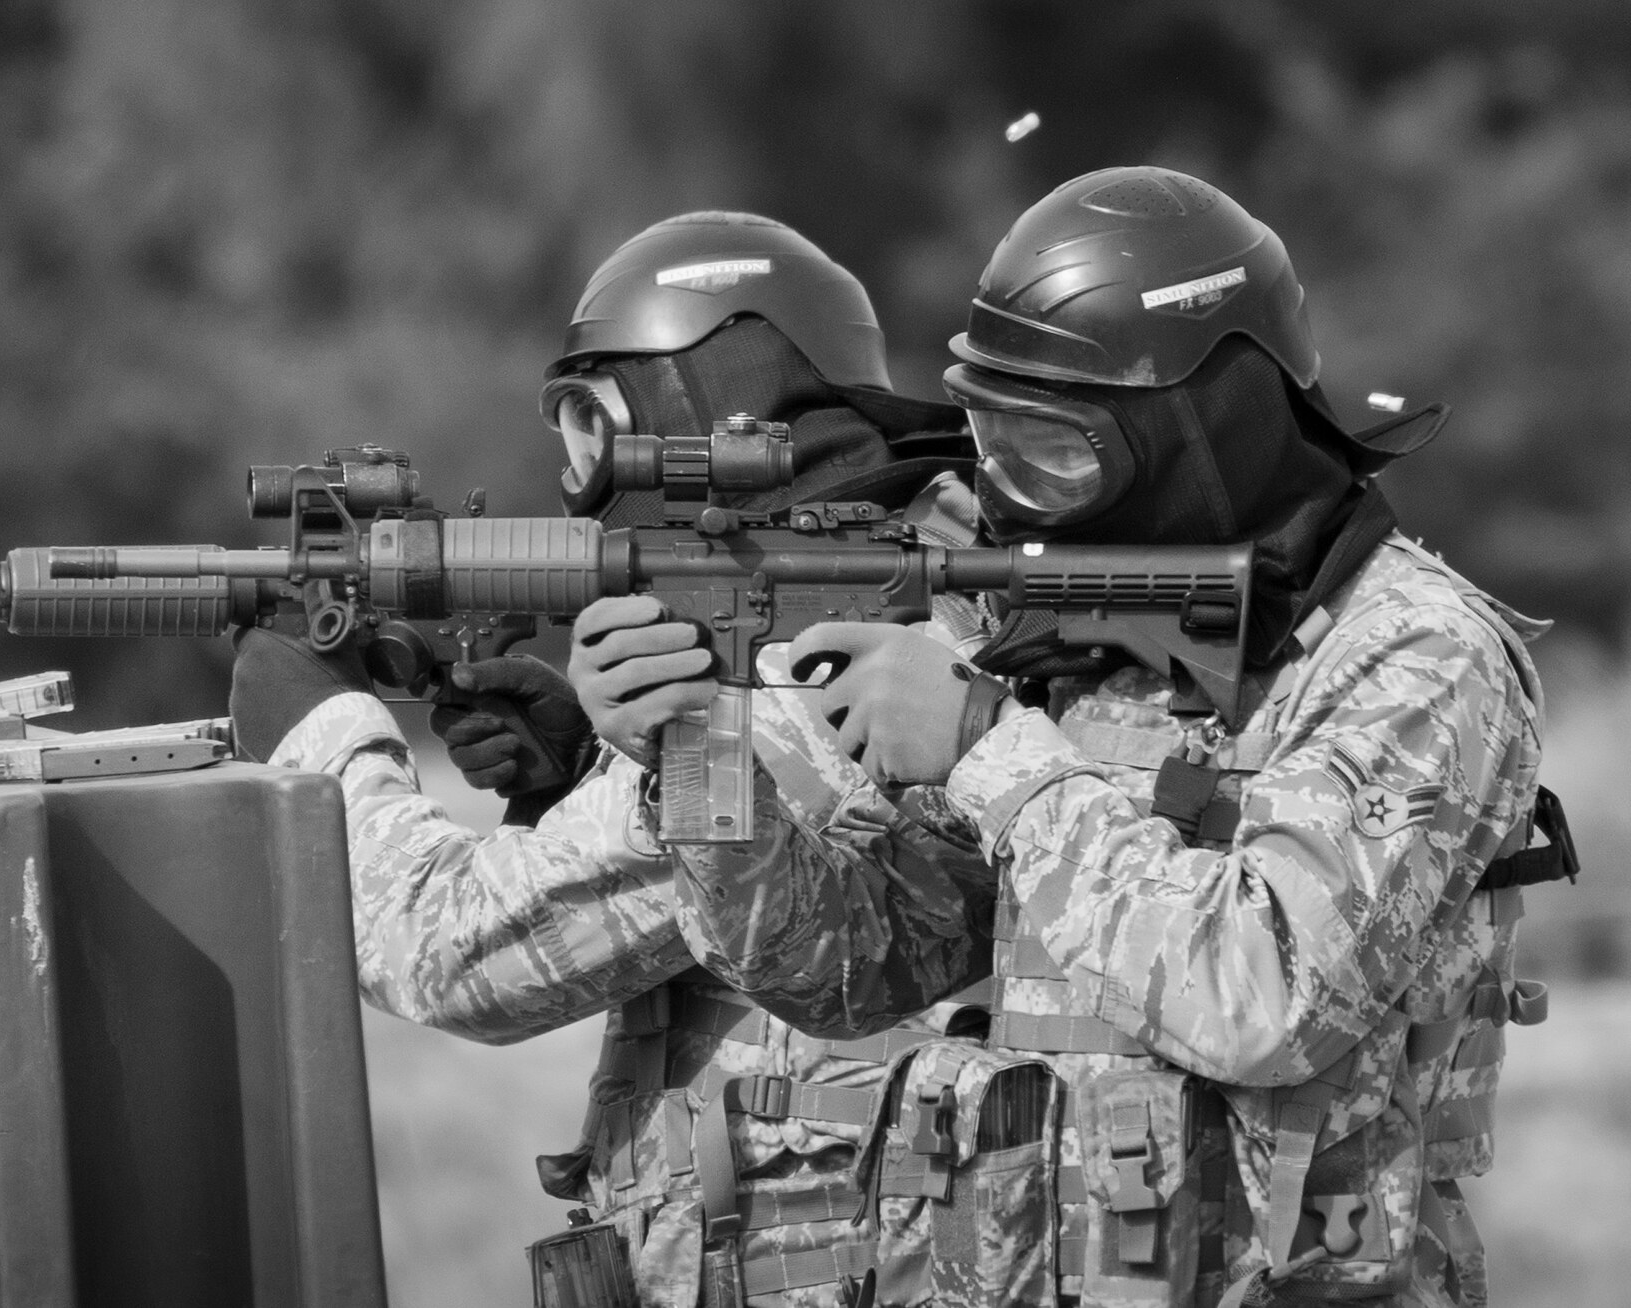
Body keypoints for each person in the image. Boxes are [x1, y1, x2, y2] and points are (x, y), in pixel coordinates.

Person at [634, 170, 1572, 1307]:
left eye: (1055, 451)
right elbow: (854, 970)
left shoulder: (1415, 654)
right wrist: (692, 745)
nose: (1014, 494)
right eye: (993, 443)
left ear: (1198, 426)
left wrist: (983, 743)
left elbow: (1262, 1002)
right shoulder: (1083, 641)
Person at [228, 211, 998, 1307]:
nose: (579, 471)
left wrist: (319, 727)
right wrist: (580, 769)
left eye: (593, 421)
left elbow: (447, 954)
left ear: (708, 400)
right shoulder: (917, 588)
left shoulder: (826, 659)